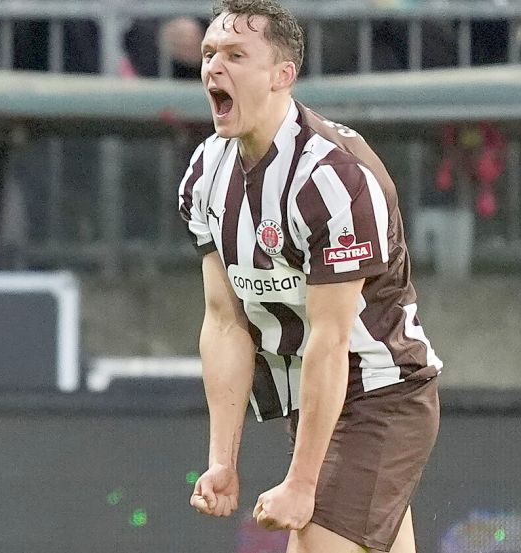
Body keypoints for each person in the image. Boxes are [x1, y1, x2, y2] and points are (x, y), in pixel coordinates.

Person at [177, 2, 442, 552]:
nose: (213, 67)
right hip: (317, 401)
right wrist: (222, 460)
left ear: (283, 74)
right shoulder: (206, 171)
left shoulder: (332, 176)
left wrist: (301, 484)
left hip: (379, 396)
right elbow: (224, 322)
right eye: (208, 54)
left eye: (235, 55)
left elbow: (331, 339)